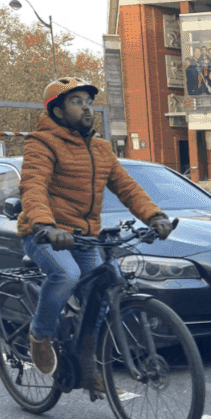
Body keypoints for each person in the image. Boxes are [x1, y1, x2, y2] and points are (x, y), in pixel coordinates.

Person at [17, 77, 173, 386]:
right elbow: (33, 186)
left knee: (104, 290)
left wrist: (154, 216)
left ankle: (85, 360)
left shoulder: (101, 149)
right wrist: (45, 225)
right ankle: (40, 335)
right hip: (44, 233)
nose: (87, 107)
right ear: (58, 111)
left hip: (84, 236)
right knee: (67, 275)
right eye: (77, 102)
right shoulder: (42, 143)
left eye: (88, 101)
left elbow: (127, 188)